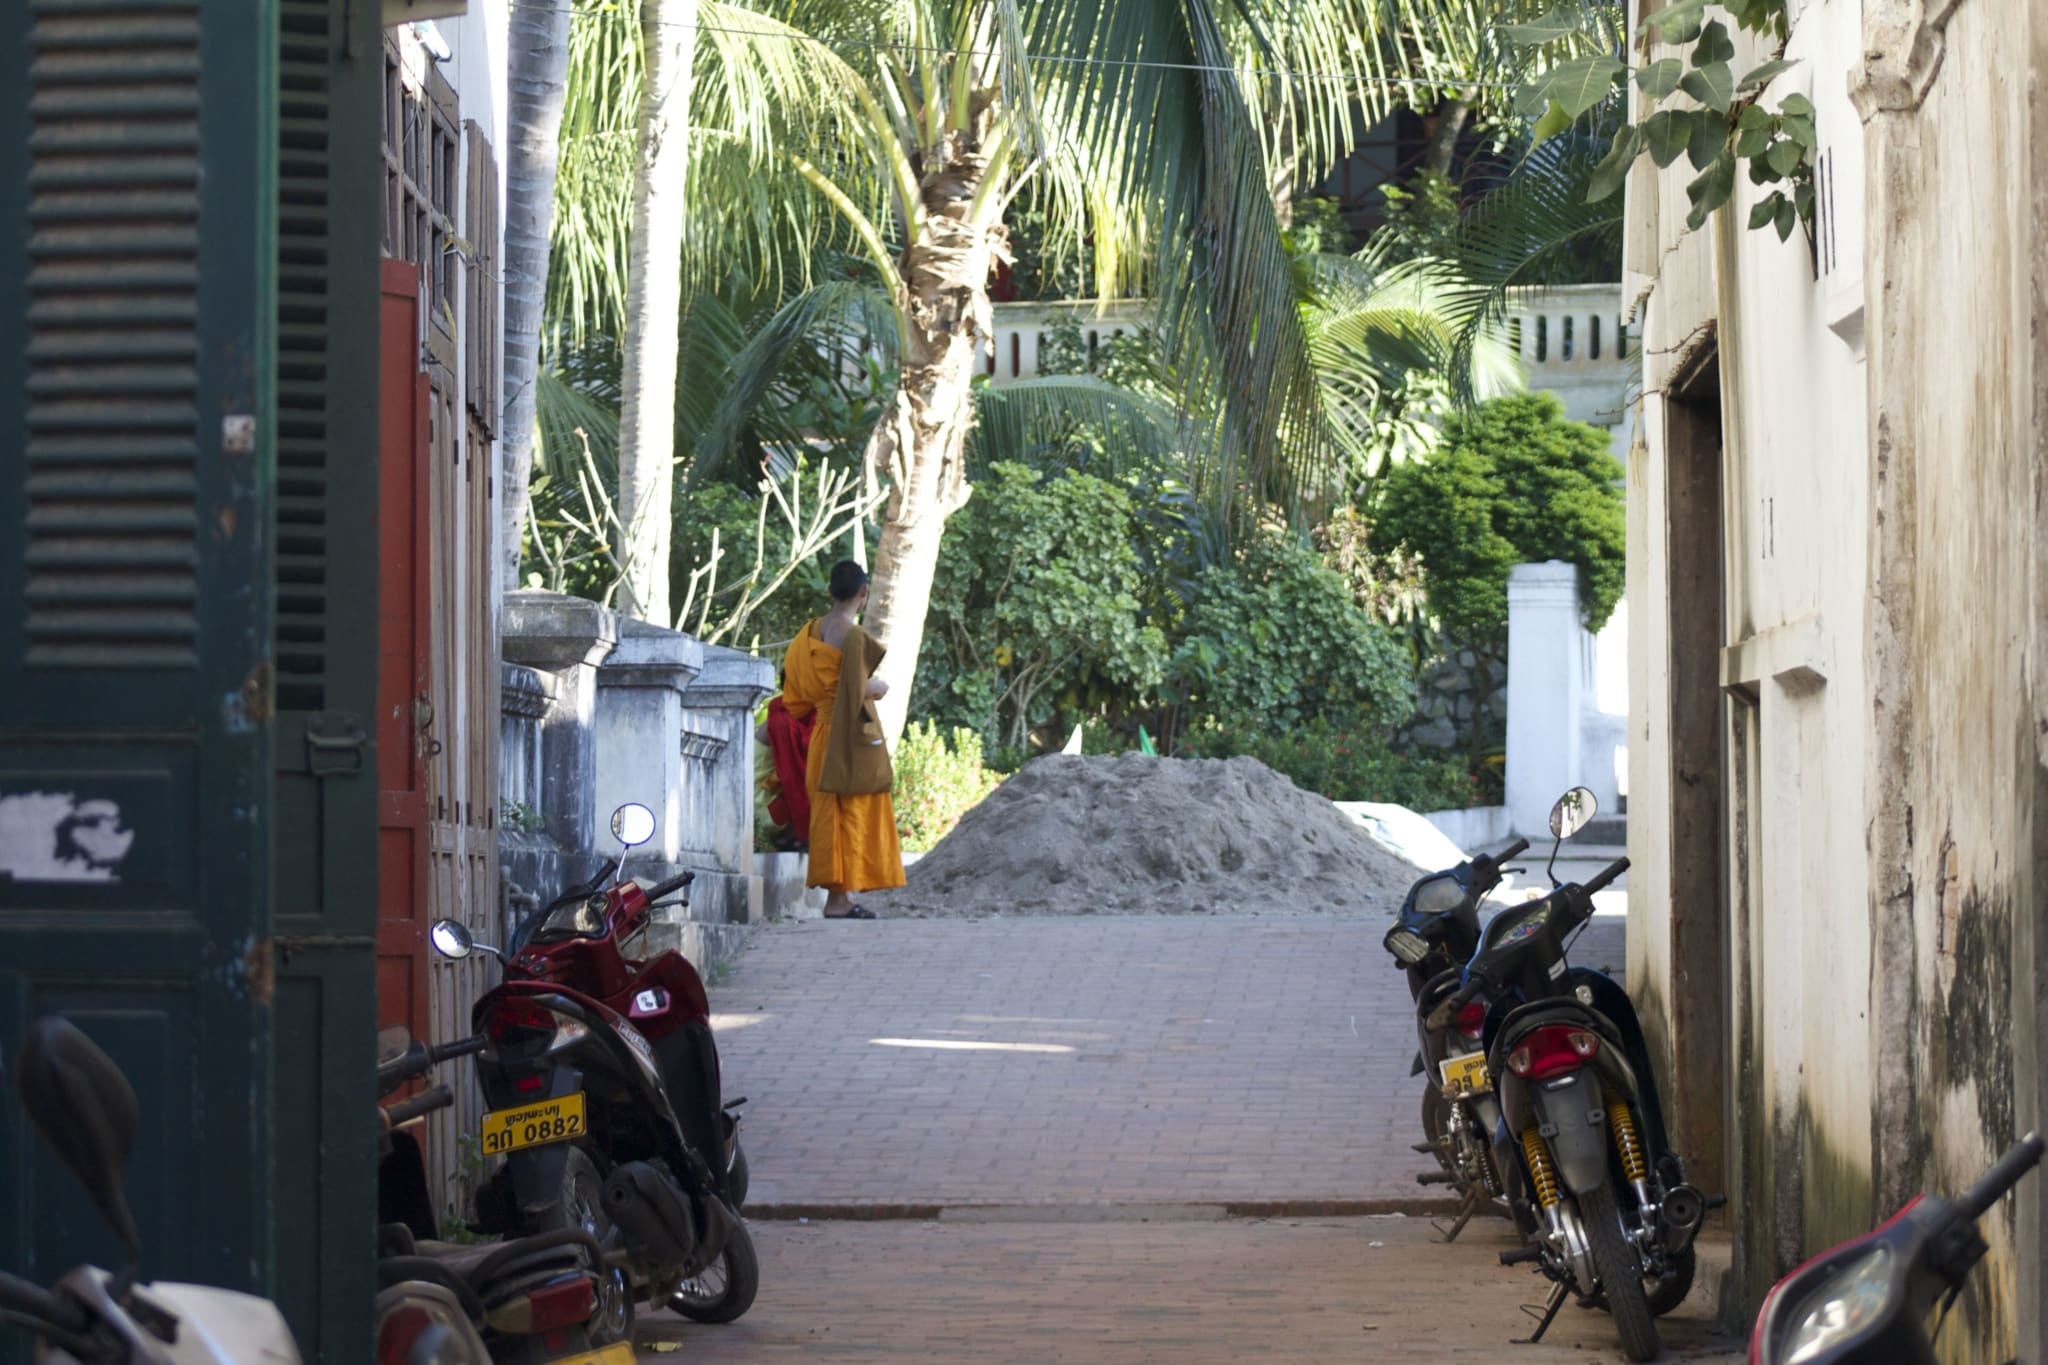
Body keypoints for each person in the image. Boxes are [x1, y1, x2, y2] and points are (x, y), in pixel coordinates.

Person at [781, 560, 904, 918]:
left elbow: (796, 695)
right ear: (863, 594)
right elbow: (854, 690)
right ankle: (840, 900)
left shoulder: (809, 634)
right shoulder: (855, 636)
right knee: (851, 813)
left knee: (828, 815)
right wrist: (876, 688)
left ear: (829, 591)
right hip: (850, 737)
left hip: (822, 736)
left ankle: (840, 897)